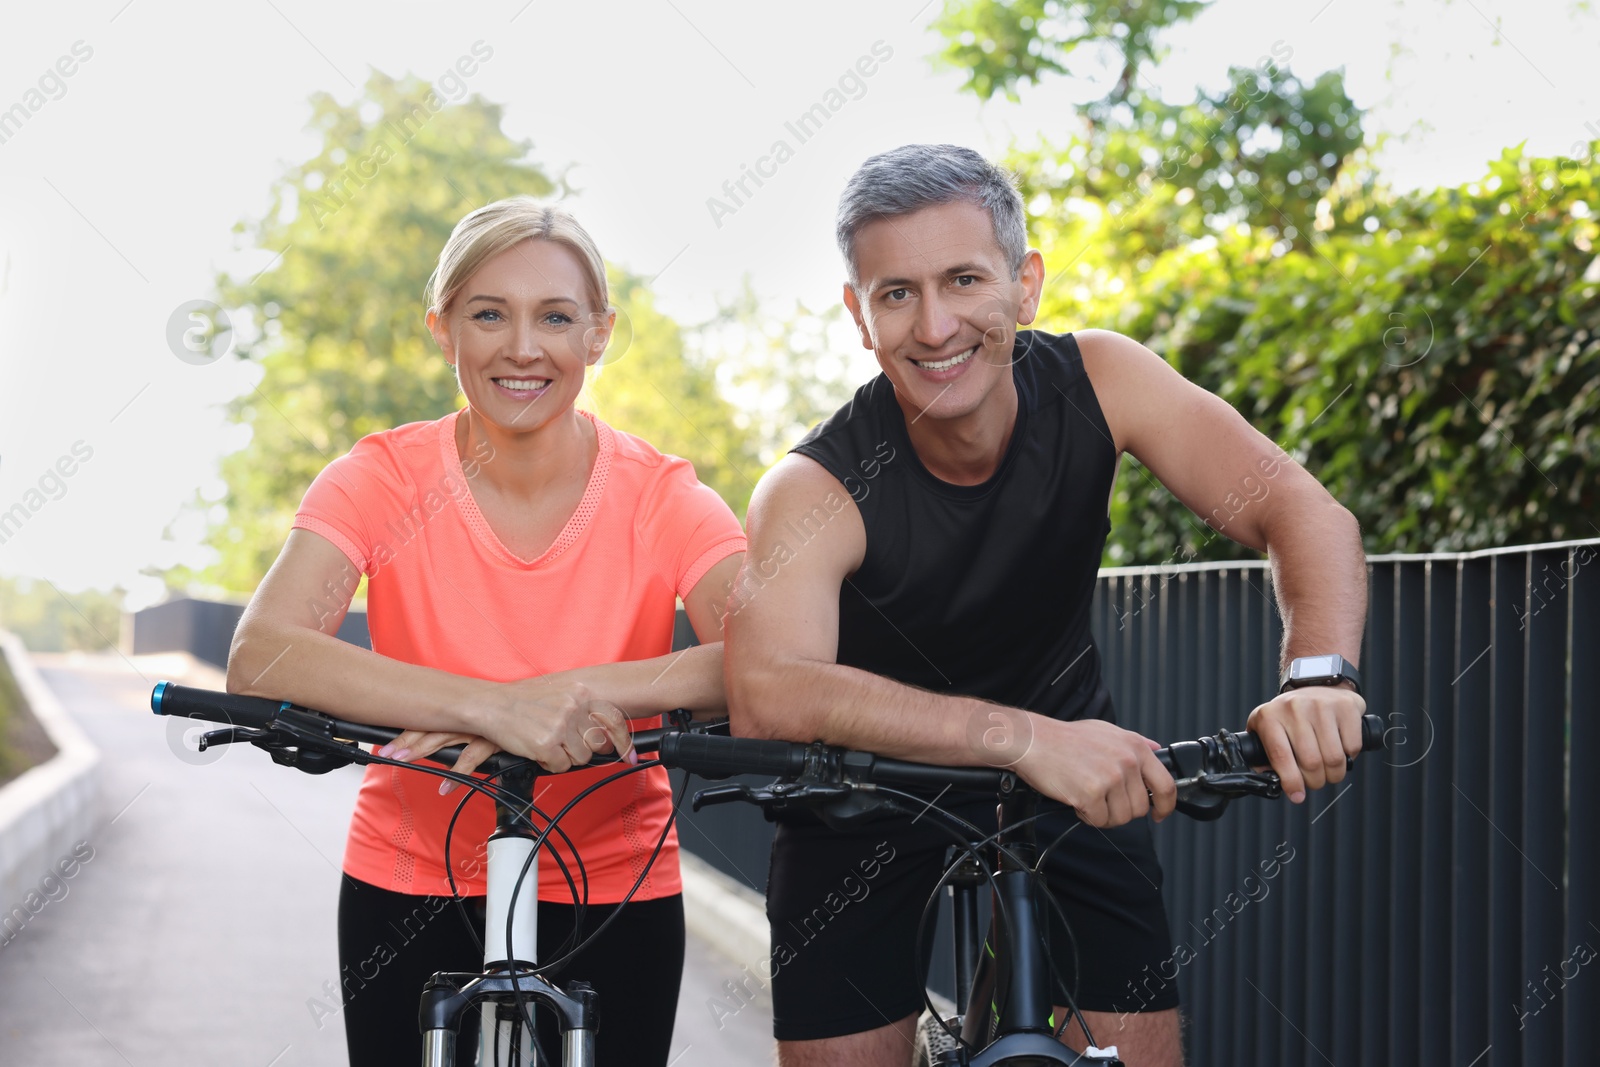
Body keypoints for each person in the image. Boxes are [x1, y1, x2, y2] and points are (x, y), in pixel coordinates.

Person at [723, 144, 1369, 1067]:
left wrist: (1319, 675)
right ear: (859, 317)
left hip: (1078, 776)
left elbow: (1299, 509)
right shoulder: (815, 484)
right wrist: (1024, 737)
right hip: (859, 793)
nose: (936, 323)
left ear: (1024, 285)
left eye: (964, 279)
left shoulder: (1102, 380)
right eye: (896, 293)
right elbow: (770, 690)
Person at [226, 197, 745, 1067]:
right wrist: (493, 708)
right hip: (411, 869)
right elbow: (262, 651)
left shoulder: (663, 495)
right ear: (442, 329)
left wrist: (583, 692)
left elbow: (771, 657)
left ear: (600, 334)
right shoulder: (381, 477)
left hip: (613, 874)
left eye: (555, 316)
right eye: (488, 314)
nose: (522, 347)